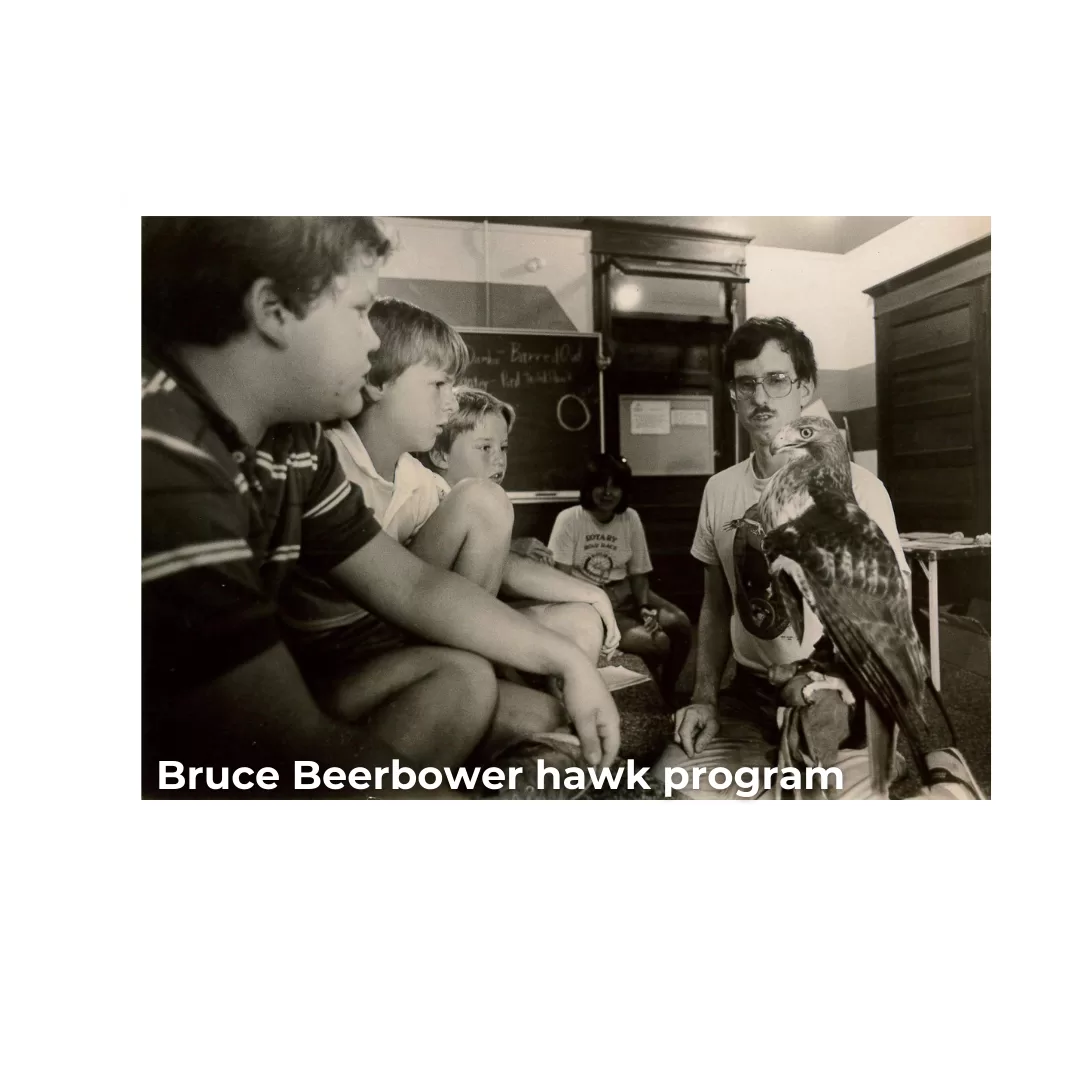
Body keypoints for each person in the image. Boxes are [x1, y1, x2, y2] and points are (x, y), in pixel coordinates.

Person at [140, 217, 621, 800]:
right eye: (360, 311)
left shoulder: (296, 443)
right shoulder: (159, 454)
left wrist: (568, 661)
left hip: (301, 697)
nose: (373, 344)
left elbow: (414, 585)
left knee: (469, 677)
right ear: (273, 310)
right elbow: (283, 740)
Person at [651, 315, 984, 800]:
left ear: (804, 388)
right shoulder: (719, 490)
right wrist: (705, 698)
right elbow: (716, 605)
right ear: (733, 395)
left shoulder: (861, 491)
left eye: (777, 380)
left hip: (842, 689)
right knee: (673, 788)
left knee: (830, 796)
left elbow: (890, 625)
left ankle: (884, 762)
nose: (761, 397)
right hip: (750, 691)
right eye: (746, 384)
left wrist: (842, 692)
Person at [280, 298, 620, 715]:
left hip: (396, 638)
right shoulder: (325, 461)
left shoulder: (417, 479)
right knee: (483, 499)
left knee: (546, 710)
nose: (451, 403)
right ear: (378, 383)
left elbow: (498, 562)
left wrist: (592, 593)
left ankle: (473, 680)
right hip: (336, 664)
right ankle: (471, 679)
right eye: (438, 385)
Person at [547, 453, 694, 709]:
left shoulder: (630, 518)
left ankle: (668, 691)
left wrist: (644, 607)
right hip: (590, 602)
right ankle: (652, 694)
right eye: (600, 485)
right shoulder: (569, 519)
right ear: (588, 488)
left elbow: (638, 573)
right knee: (657, 643)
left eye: (615, 486)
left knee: (680, 623)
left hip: (626, 591)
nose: (607, 493)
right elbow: (561, 581)